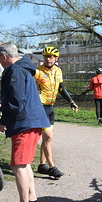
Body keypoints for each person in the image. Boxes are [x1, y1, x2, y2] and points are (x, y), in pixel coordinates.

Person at [0, 43, 50, 202]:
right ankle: (31, 200)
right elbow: (18, 98)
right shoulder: (23, 68)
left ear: (4, 56)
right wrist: (3, 107)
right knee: (24, 163)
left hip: (24, 123)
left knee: (18, 165)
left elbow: (17, 102)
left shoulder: (15, 71)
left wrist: (3, 120)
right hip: (32, 121)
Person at [34, 46, 79, 178]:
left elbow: (61, 88)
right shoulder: (37, 72)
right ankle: (52, 167)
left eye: (51, 57)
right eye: (46, 57)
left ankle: (42, 165)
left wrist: (71, 101)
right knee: (48, 136)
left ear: (56, 58)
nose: (48, 59)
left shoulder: (58, 71)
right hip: (40, 106)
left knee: (46, 138)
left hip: (50, 107)